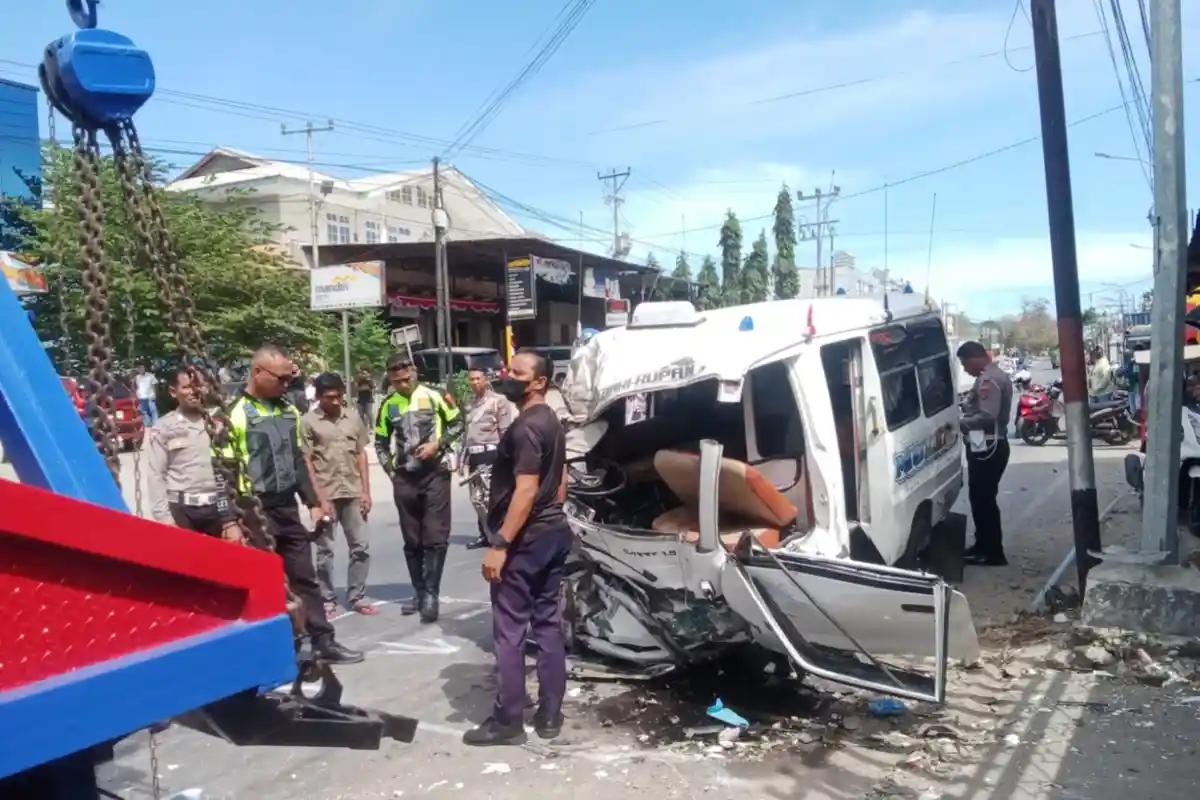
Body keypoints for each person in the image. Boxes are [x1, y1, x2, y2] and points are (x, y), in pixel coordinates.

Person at [223, 346, 363, 664]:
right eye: (281, 379)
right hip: (252, 511)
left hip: (286, 507)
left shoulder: (289, 412)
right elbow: (223, 472)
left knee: (304, 577)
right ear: (258, 372)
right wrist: (230, 521)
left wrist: (312, 502)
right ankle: (277, 649)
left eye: (290, 379)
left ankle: (324, 641)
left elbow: (299, 462)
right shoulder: (234, 414)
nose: (287, 385)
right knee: (264, 585)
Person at [462, 349, 571, 748]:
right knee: (548, 625)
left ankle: (508, 721)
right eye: (508, 370)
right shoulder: (552, 422)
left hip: (526, 539)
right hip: (553, 531)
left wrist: (501, 543)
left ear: (539, 382)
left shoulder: (526, 427)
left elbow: (526, 489)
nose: (507, 376)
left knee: (509, 631)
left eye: (518, 372)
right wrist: (549, 515)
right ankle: (550, 714)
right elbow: (561, 480)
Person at [375, 355, 463, 623]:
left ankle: (431, 594)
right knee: (412, 540)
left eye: (406, 379)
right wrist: (391, 472)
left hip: (435, 474)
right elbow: (380, 443)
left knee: (435, 537)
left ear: (413, 372)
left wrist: (438, 444)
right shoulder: (388, 405)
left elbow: (459, 423)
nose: (402, 385)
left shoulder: (436, 395)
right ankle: (419, 590)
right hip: (405, 477)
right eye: (396, 382)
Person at [301, 372, 376, 618]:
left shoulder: (352, 417)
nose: (335, 401)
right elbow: (307, 462)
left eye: (338, 396)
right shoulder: (308, 422)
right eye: (329, 397)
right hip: (327, 493)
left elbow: (360, 454)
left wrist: (366, 491)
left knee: (361, 547)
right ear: (318, 396)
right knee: (325, 552)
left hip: (353, 491)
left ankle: (357, 596)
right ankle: (327, 599)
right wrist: (318, 500)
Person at [145, 366, 243, 541]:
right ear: (173, 392)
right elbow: (156, 475)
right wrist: (165, 519)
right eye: (187, 387)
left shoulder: (220, 423)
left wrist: (232, 518)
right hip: (182, 510)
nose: (194, 392)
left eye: (199, 386)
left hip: (218, 508)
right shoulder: (164, 427)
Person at [956, 341, 1014, 567]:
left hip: (989, 447)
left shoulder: (989, 380)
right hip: (987, 445)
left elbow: (988, 416)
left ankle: (992, 552)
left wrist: (960, 424)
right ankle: (983, 545)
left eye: (964, 364)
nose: (964, 369)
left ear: (974, 359)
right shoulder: (989, 376)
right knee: (980, 498)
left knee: (983, 500)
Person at [458, 366, 516, 550]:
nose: (475, 383)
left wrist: (506, 458)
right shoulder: (469, 404)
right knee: (476, 499)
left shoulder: (498, 401)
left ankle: (500, 534)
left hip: (491, 455)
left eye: (478, 379)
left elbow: (505, 431)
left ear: (486, 380)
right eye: (472, 379)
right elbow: (467, 433)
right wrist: (461, 459)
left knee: (491, 498)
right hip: (474, 456)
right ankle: (485, 534)